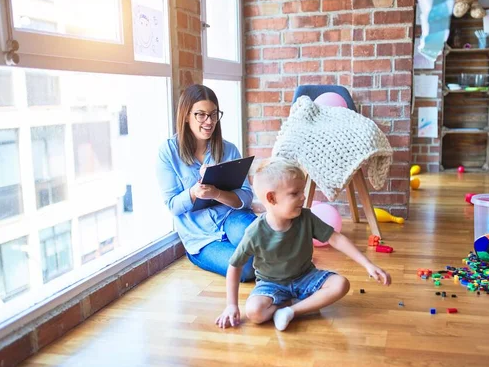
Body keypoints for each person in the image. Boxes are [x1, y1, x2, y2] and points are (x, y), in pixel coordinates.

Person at [215, 158, 391, 331]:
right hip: (271, 284)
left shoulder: (306, 217)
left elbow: (336, 238)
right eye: (295, 193)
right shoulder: (255, 232)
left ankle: (291, 311)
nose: (303, 197)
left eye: (302, 191)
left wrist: (367, 264)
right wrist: (231, 305)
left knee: (341, 284)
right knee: (254, 312)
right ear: (271, 198)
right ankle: (298, 303)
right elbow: (234, 265)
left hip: (306, 277)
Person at [156, 84, 256, 282]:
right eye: (200, 115)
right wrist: (194, 192)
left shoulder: (229, 149)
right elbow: (173, 206)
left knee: (264, 238)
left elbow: (246, 196)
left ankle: (291, 269)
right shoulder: (168, 152)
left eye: (213, 114)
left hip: (231, 218)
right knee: (245, 269)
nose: (209, 121)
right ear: (186, 116)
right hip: (201, 237)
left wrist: (216, 193)